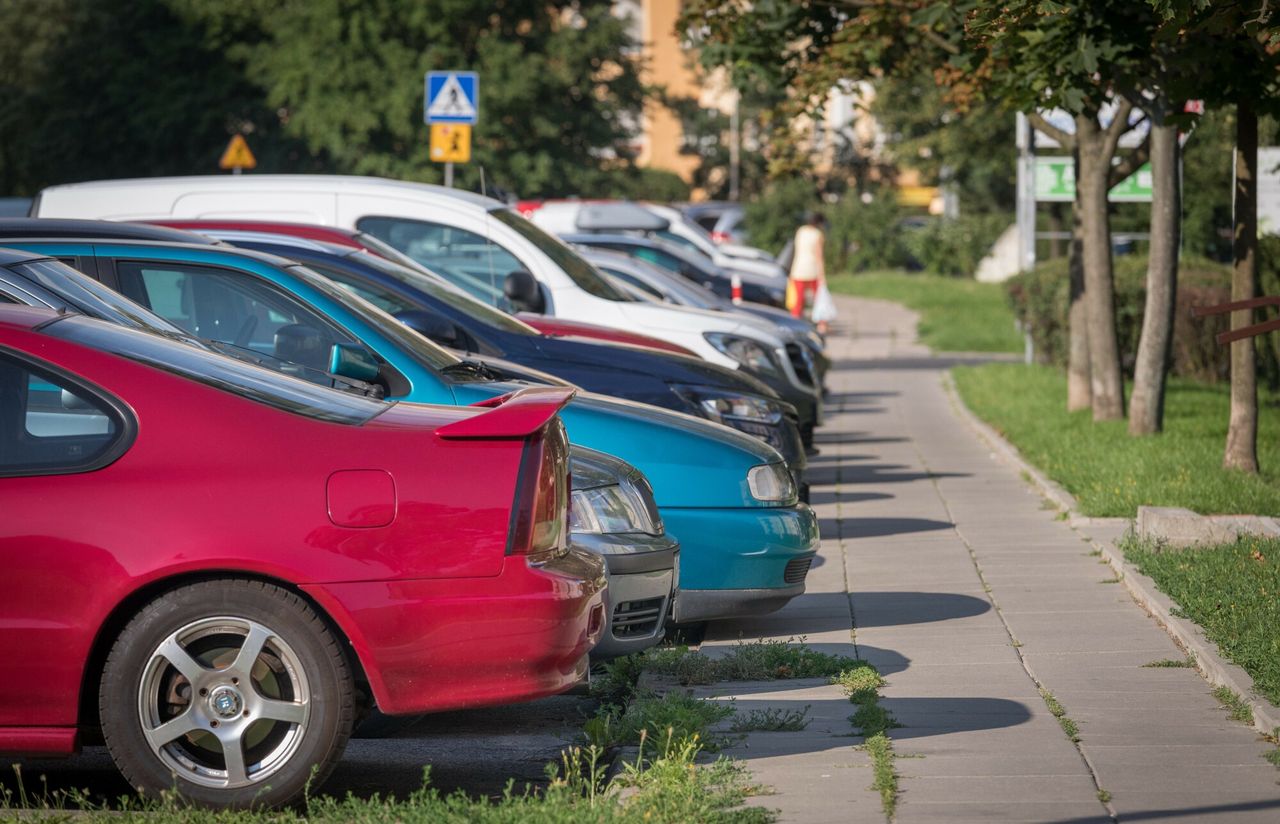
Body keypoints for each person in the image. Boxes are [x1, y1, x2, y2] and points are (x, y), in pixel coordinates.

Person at [789, 212, 828, 333]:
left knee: (799, 299)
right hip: (812, 270)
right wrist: (822, 274)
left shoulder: (800, 231)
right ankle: (822, 324)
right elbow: (819, 255)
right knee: (819, 298)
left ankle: (794, 323)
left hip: (798, 268)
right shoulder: (817, 235)